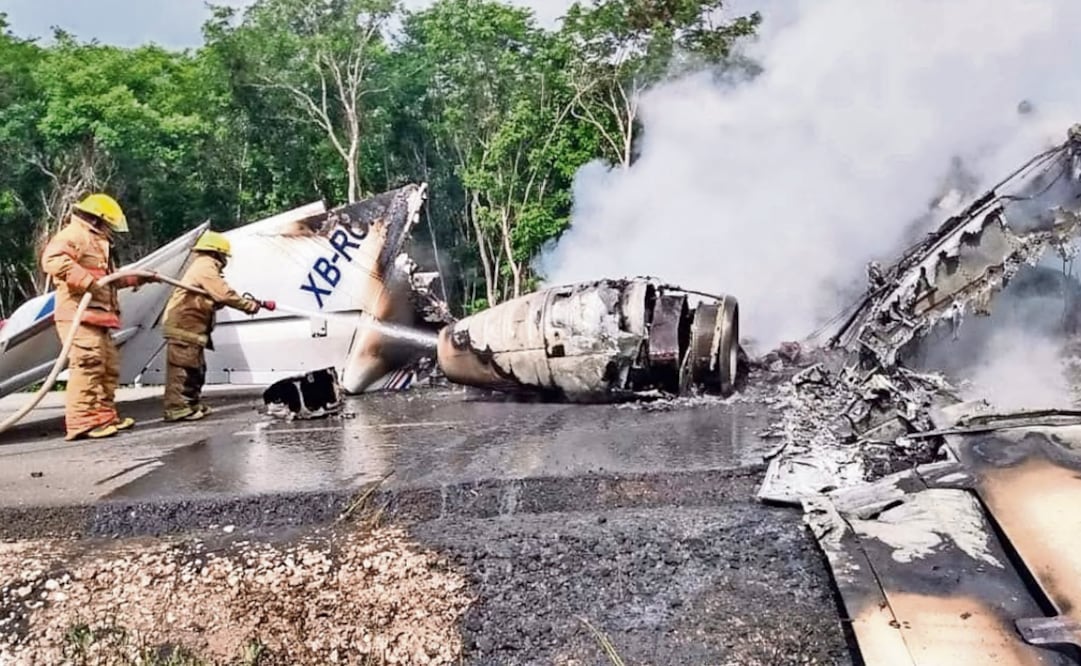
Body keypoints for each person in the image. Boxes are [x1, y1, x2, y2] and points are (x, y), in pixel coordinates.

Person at [40, 193, 156, 441]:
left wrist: (138, 277)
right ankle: (83, 422)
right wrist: (86, 282)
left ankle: (104, 418)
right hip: (78, 315)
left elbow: (109, 280)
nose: (110, 230)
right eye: (108, 224)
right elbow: (52, 259)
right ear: (96, 219)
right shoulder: (75, 235)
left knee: (107, 368)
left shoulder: (97, 242)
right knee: (88, 366)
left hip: (97, 317)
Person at [162, 230, 274, 421]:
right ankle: (177, 408)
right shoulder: (205, 265)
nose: (225, 260)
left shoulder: (203, 266)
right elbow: (223, 293)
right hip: (184, 327)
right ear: (217, 253)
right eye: (224, 256)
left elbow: (212, 297)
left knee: (195, 369)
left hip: (191, 328)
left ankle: (191, 404)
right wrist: (248, 306)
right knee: (183, 369)